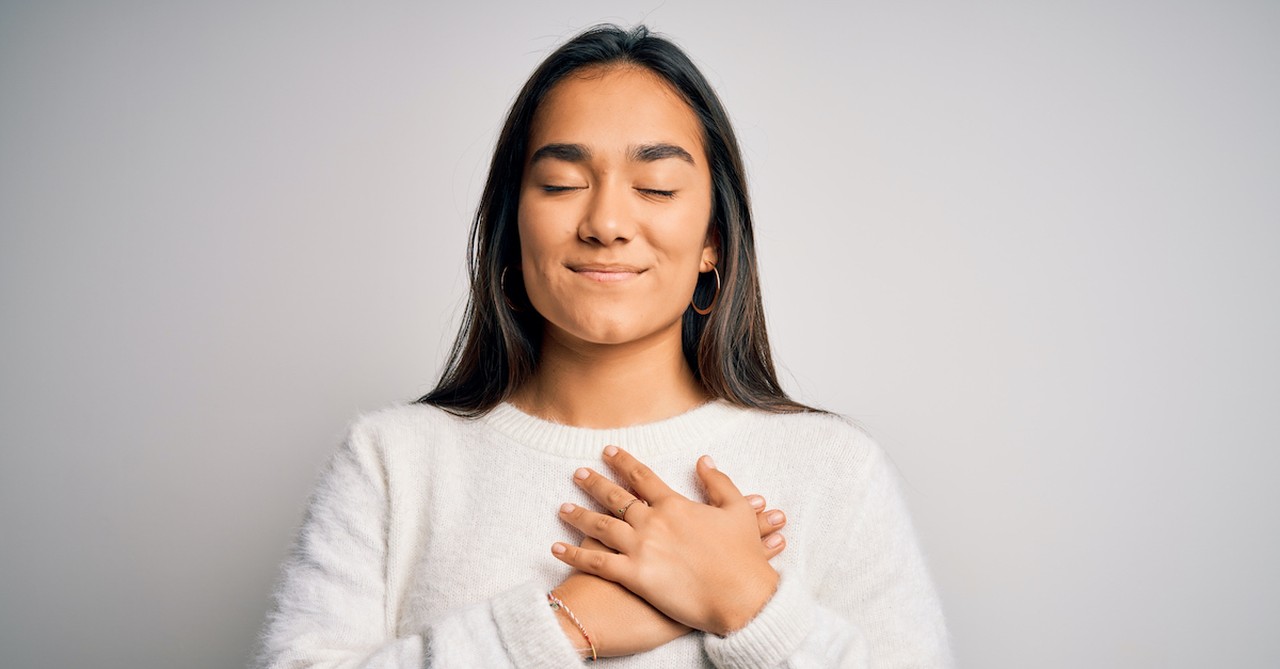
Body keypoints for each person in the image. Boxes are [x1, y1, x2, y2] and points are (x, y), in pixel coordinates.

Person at [254, 24, 952, 668]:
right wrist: (561, 623)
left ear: (714, 239)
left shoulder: (835, 470)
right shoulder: (392, 462)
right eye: (562, 183)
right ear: (511, 228)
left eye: (656, 185)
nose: (607, 222)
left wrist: (747, 603)